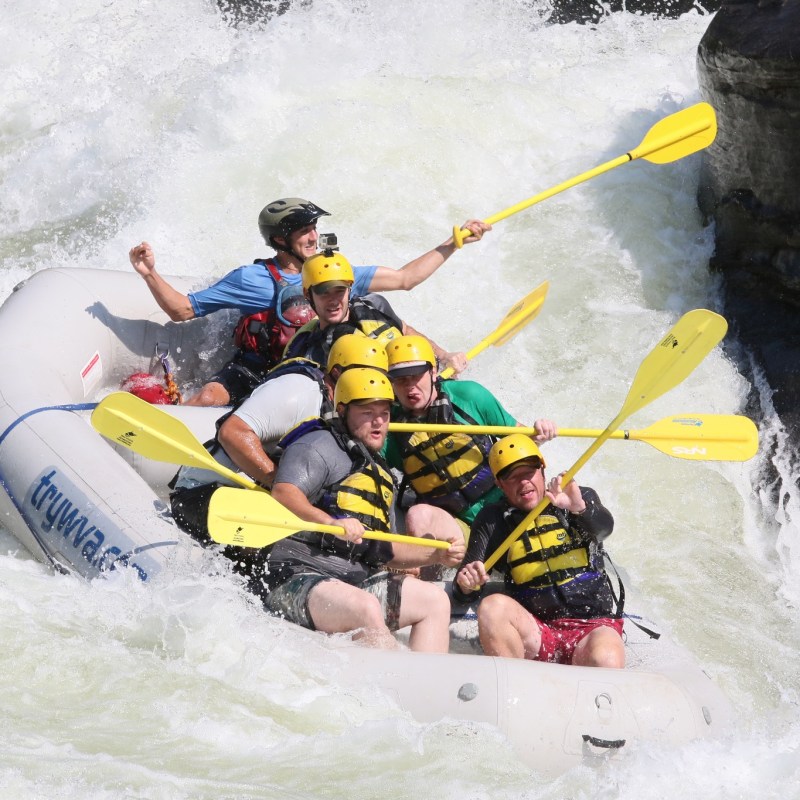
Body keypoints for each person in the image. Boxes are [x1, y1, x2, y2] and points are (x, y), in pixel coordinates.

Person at [129, 197, 490, 405]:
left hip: (321, 372)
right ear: (280, 240)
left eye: (314, 229)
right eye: (304, 231)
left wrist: (453, 242)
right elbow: (181, 309)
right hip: (261, 367)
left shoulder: (333, 274)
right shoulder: (253, 279)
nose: (314, 237)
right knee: (209, 397)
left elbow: (405, 279)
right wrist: (148, 273)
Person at [264, 367, 464, 651]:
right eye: (367, 413)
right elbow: (284, 493)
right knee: (366, 609)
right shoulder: (317, 445)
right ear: (343, 411)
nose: (378, 422)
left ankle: (424, 685)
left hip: (355, 580)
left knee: (434, 600)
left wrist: (438, 554)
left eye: (384, 413)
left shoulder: (379, 471)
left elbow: (387, 550)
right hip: (295, 577)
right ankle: (389, 687)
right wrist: (330, 522)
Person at [170, 333, 388, 542]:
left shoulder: (345, 410)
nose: (373, 384)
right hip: (204, 494)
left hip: (252, 500)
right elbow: (232, 432)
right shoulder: (299, 392)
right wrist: (280, 484)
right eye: (367, 374)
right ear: (338, 373)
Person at [453, 434, 625, 668]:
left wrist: (578, 509)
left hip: (592, 625)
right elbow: (466, 588)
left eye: (528, 473)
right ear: (499, 484)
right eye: (512, 477)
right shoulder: (492, 520)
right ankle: (514, 689)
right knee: (492, 607)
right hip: (538, 630)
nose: (523, 482)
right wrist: (466, 584)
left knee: (605, 658)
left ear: (542, 471)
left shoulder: (577, 497)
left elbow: (605, 529)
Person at [382, 335, 558, 544]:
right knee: (418, 515)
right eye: (401, 379)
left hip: (505, 505)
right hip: (459, 526)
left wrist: (539, 432)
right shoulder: (387, 426)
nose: (410, 386)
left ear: (433, 373)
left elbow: (522, 442)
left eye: (416, 376)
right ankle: (426, 570)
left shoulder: (469, 395)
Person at [282, 249, 465, 375]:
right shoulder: (303, 348)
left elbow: (407, 331)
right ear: (308, 294)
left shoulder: (373, 305)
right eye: (323, 292)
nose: (333, 301)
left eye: (339, 290)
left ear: (350, 289)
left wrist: (443, 356)